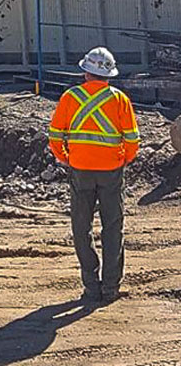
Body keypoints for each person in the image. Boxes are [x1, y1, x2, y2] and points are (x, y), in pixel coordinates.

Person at [48, 46, 140, 305]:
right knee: (112, 227)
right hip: (111, 171)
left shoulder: (69, 98)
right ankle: (110, 288)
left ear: (85, 72)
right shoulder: (119, 99)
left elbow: (55, 136)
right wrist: (123, 159)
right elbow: (132, 140)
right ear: (109, 75)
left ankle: (91, 287)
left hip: (80, 170)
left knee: (81, 227)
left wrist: (67, 158)